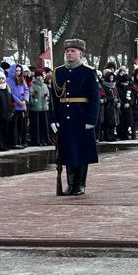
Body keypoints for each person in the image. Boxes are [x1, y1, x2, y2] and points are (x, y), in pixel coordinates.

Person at [49, 39, 100, 195]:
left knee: (82, 151)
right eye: (67, 51)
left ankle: (80, 184)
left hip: (81, 116)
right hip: (64, 117)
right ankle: (70, 184)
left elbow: (94, 98)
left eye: (73, 51)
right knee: (67, 150)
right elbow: (53, 99)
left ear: (81, 53)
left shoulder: (88, 72)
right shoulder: (58, 72)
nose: (69, 53)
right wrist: (53, 119)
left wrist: (91, 120)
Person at [28, 72, 51, 146]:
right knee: (36, 126)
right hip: (35, 108)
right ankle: (36, 141)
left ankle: (45, 140)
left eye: (40, 76)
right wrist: (33, 100)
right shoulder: (32, 85)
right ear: (35, 77)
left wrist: (47, 98)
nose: (39, 78)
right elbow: (30, 95)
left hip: (44, 107)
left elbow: (48, 94)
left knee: (44, 125)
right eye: (37, 76)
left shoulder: (44, 85)